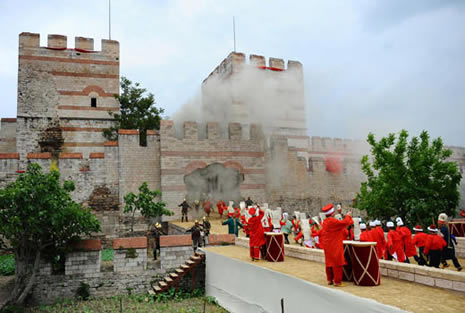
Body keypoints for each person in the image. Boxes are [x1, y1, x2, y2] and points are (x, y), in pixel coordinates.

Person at [319, 203, 353, 287]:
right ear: (332, 213)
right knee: (337, 263)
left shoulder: (325, 222)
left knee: (329, 262)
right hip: (334, 244)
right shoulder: (333, 221)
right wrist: (348, 215)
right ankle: (337, 281)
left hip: (328, 245)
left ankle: (329, 279)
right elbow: (344, 223)